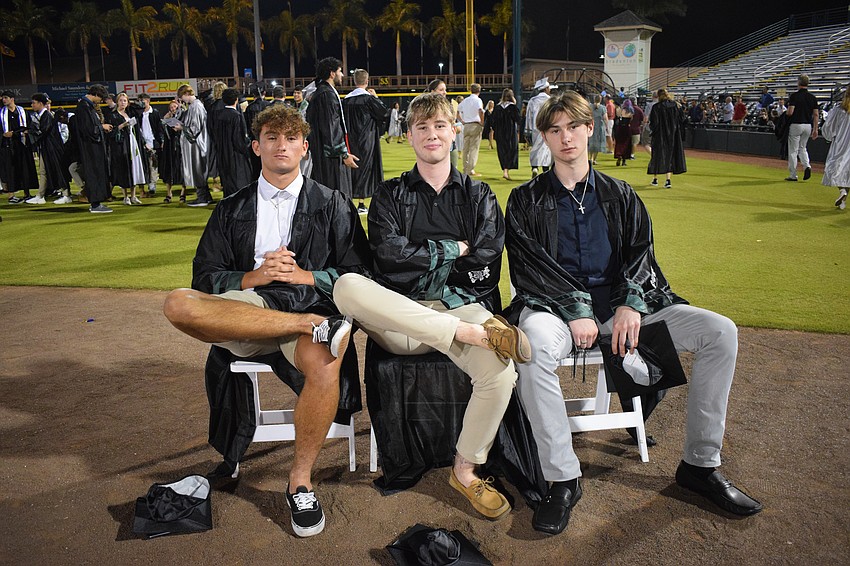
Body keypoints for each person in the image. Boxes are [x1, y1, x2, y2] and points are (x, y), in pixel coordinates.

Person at [504, 90, 763, 536]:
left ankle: (700, 465)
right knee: (534, 348)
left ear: (590, 128)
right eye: (555, 130)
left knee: (719, 331)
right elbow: (530, 267)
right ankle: (563, 478)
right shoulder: (526, 200)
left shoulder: (620, 194)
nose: (566, 137)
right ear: (544, 137)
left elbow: (642, 257)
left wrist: (630, 303)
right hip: (553, 308)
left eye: (574, 127)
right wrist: (576, 309)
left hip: (620, 304)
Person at [163, 105, 371, 538]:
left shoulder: (332, 203)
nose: (282, 146)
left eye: (291, 138)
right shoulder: (231, 208)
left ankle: (300, 482)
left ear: (305, 148)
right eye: (272, 137)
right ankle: (301, 324)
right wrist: (253, 277)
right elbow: (204, 278)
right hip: (253, 310)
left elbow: (360, 274)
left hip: (311, 302)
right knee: (178, 304)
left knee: (326, 361)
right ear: (256, 147)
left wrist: (307, 275)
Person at [332, 93, 531, 521]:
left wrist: (423, 261)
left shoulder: (479, 194)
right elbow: (388, 256)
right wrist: (453, 250)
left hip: (462, 308)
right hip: (404, 321)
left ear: (454, 131)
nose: (432, 134)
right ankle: (464, 335)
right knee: (347, 286)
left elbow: (485, 258)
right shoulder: (389, 194)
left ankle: (465, 470)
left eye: (440, 125)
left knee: (500, 373)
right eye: (422, 127)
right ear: (408, 135)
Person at [306, 57, 358, 198]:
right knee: (334, 196)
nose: (342, 75)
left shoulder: (322, 92)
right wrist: (343, 154)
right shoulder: (326, 95)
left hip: (323, 153)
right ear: (332, 73)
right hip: (330, 158)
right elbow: (331, 128)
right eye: (340, 71)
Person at [342, 69, 387, 214]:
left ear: (354, 81)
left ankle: (349, 202)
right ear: (367, 81)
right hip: (367, 140)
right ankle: (361, 203)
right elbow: (383, 113)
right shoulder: (369, 100)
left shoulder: (345, 100)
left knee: (351, 170)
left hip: (350, 141)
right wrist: (376, 97)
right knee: (365, 170)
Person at [74, 84, 115, 213]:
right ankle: (95, 204)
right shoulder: (83, 107)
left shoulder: (87, 106)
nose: (101, 101)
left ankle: (97, 203)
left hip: (94, 147)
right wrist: (102, 127)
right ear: (96, 95)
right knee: (93, 173)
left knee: (97, 173)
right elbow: (88, 129)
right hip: (90, 149)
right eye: (100, 98)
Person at [27, 93, 71, 204]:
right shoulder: (42, 115)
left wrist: (30, 132)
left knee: (58, 170)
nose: (32, 105)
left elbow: (43, 132)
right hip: (46, 148)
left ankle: (66, 195)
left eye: (34, 103)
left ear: (40, 103)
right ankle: (40, 195)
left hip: (52, 149)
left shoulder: (47, 115)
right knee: (43, 171)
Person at [105, 92, 148, 205]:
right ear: (117, 102)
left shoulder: (130, 112)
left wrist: (131, 102)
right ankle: (125, 197)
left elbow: (142, 106)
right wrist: (122, 126)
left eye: (125, 101)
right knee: (124, 169)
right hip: (120, 145)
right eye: (120, 100)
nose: (123, 103)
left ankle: (133, 196)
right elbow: (109, 132)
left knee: (133, 167)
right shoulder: (112, 115)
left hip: (132, 142)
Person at [210, 88, 253, 198]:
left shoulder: (217, 115)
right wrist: (247, 148)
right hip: (235, 155)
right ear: (236, 100)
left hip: (222, 154)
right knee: (239, 184)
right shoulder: (236, 116)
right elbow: (238, 139)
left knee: (227, 183)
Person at [175, 84, 212, 206]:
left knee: (197, 170)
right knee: (198, 170)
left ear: (186, 94)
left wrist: (182, 128)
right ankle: (205, 196)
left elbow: (195, 128)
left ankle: (202, 198)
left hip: (197, 144)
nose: (182, 100)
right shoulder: (193, 106)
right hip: (195, 144)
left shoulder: (196, 106)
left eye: (182, 97)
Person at [1, 90, 37, 204]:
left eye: (6, 97)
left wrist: (16, 133)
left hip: (22, 144)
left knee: (25, 168)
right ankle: (11, 196)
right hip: (7, 145)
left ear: (12, 99)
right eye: (3, 98)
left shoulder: (23, 112)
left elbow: (29, 127)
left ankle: (27, 194)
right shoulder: (1, 114)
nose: (3, 100)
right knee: (10, 170)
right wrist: (4, 135)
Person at [647, 88, 687, 188]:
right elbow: (682, 119)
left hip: (660, 136)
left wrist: (653, 132)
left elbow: (654, 123)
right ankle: (668, 180)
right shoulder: (675, 106)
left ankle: (655, 179)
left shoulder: (656, 107)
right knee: (670, 156)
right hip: (673, 135)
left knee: (657, 156)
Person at [786, 74, 819, 182]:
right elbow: (816, 114)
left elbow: (790, 112)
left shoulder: (794, 96)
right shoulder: (812, 97)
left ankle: (793, 174)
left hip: (796, 124)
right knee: (803, 148)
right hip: (808, 126)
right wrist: (815, 129)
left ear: (799, 82)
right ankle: (807, 165)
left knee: (793, 150)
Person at [822, 87, 850, 210]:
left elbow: (829, 127)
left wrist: (828, 136)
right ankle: (843, 200)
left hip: (841, 144)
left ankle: (842, 190)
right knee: (847, 173)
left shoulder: (839, 109)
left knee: (834, 168)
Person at [526, 78, 555, 177]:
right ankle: (545, 170)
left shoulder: (533, 100)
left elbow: (529, 116)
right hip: (548, 127)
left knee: (536, 148)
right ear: (546, 88)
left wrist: (528, 129)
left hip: (536, 127)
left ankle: (534, 167)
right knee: (546, 149)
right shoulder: (550, 100)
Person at [491, 88, 521, 180]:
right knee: (511, 150)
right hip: (510, 132)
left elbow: (492, 121)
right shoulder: (512, 107)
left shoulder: (497, 107)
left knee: (502, 151)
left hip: (500, 133)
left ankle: (505, 170)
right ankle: (506, 171)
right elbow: (518, 119)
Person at [159, 100, 186, 203]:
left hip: (180, 146)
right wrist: (165, 121)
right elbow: (163, 132)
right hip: (169, 147)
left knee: (182, 168)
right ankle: (169, 193)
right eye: (171, 107)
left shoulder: (183, 116)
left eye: (175, 107)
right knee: (168, 169)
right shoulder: (167, 118)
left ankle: (183, 193)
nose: (173, 109)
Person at [137, 93, 163, 196]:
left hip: (152, 142)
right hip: (142, 143)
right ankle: (143, 186)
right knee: (144, 165)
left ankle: (152, 184)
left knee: (153, 165)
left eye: (142, 101)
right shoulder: (139, 114)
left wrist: (161, 141)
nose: (141, 103)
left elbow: (159, 128)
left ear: (147, 101)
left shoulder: (155, 113)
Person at [456, 83, 485, 176]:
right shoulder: (478, 100)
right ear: (479, 91)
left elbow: (457, 111)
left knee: (466, 149)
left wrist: (462, 121)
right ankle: (470, 170)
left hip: (466, 125)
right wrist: (482, 122)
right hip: (475, 124)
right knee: (473, 149)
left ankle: (465, 169)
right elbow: (480, 110)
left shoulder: (465, 101)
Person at [613, 99, 633, 166]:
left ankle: (619, 155)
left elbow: (618, 117)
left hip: (620, 128)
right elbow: (631, 119)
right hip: (627, 128)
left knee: (619, 143)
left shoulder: (620, 110)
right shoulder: (631, 112)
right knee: (626, 144)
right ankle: (624, 160)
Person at [588, 94, 607, 165]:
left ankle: (590, 158)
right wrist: (607, 127)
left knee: (591, 142)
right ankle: (594, 159)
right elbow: (605, 118)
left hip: (591, 126)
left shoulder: (590, 106)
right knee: (598, 143)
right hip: (600, 127)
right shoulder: (603, 108)